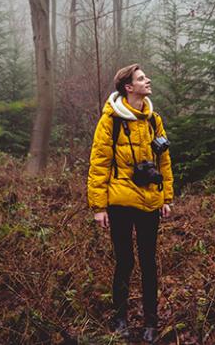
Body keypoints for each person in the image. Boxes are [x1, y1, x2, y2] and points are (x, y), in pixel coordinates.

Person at [87, 64, 174, 343]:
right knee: (124, 261)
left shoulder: (153, 119)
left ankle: (151, 321)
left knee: (149, 262)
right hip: (120, 202)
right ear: (128, 87)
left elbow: (164, 160)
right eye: (141, 78)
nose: (147, 81)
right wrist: (99, 207)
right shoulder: (111, 120)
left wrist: (166, 196)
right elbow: (99, 164)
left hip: (150, 201)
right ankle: (120, 318)